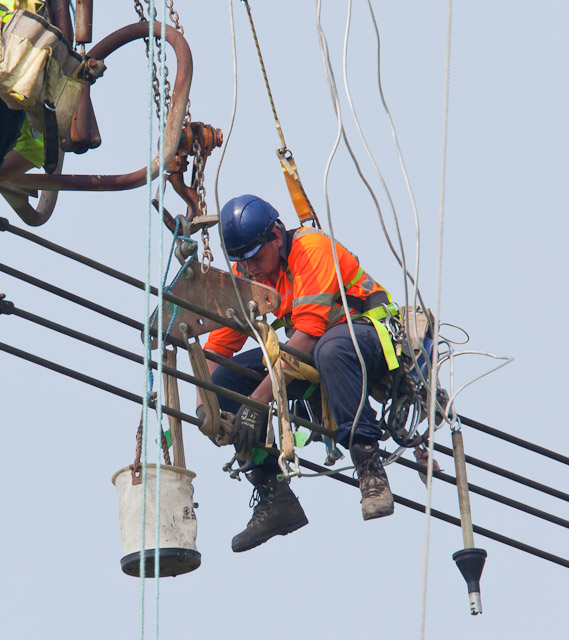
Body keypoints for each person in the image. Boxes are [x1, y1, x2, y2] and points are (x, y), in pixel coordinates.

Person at [198, 194, 398, 553]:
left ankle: (370, 467)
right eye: (241, 262)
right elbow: (216, 350)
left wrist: (257, 404)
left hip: (362, 337)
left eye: (256, 258)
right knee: (224, 379)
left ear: (277, 236)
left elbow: (304, 340)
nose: (251, 269)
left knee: (330, 349)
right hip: (312, 360)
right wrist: (206, 404)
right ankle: (275, 496)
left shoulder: (311, 249)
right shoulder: (249, 272)